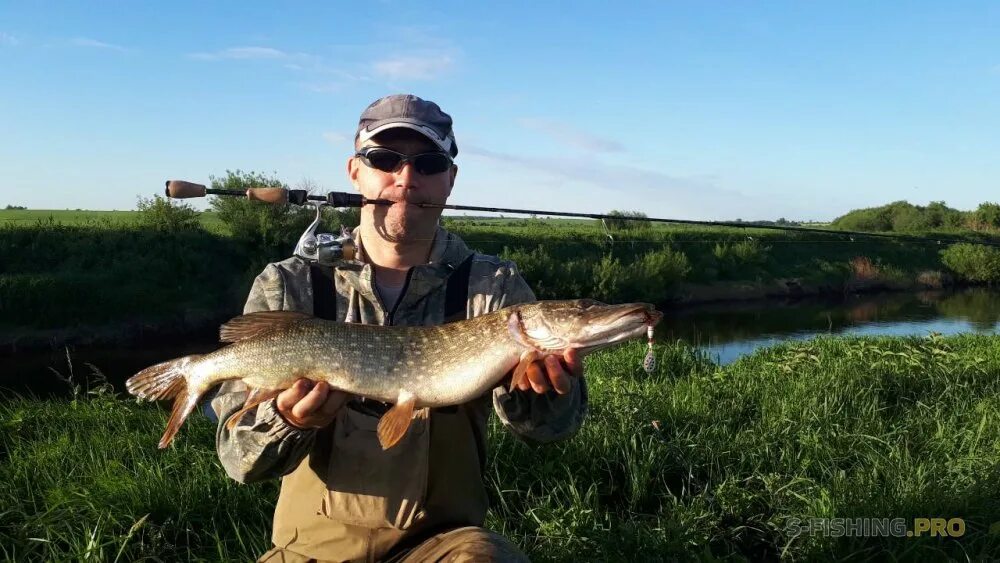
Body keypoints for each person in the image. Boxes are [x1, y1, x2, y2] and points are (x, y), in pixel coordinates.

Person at [211, 94, 588, 563]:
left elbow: (549, 433)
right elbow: (238, 460)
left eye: (428, 163)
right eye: (384, 159)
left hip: (444, 548)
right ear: (355, 172)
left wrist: (544, 394)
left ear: (450, 179)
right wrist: (287, 421)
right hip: (307, 552)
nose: (406, 178)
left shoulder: (492, 287)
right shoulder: (290, 284)